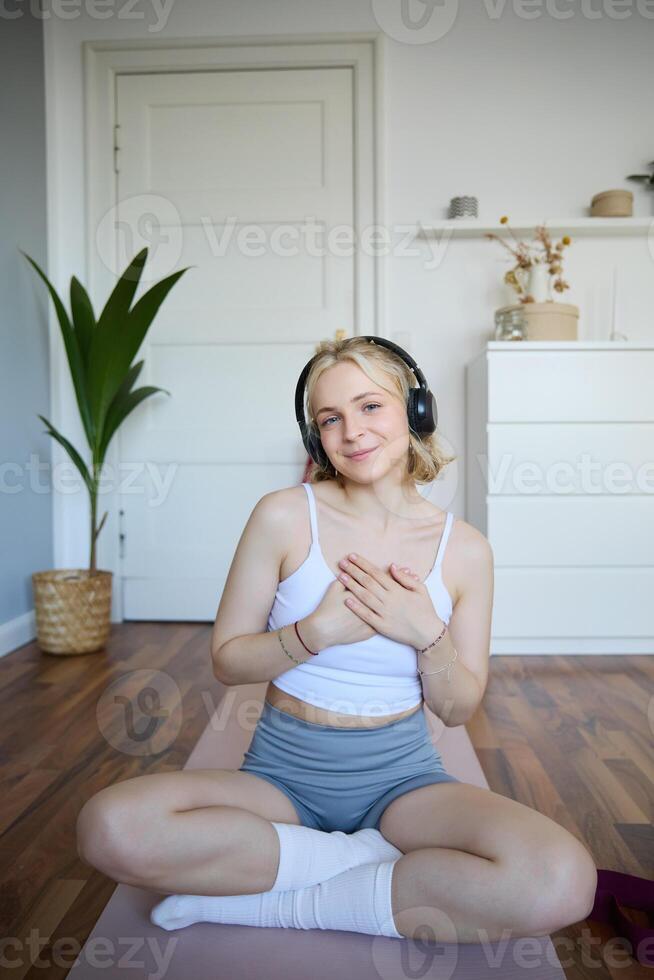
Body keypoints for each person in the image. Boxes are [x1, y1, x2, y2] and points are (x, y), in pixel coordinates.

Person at [76, 336, 598, 945]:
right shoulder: (282, 515)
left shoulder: (466, 551)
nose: (352, 432)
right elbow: (227, 661)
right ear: (315, 438)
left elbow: (457, 708)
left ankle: (277, 900)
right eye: (330, 418)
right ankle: (361, 867)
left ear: (416, 411)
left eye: (370, 406)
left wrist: (425, 633)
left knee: (561, 880)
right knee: (108, 828)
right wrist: (312, 633)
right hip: (279, 780)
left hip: (404, 784)